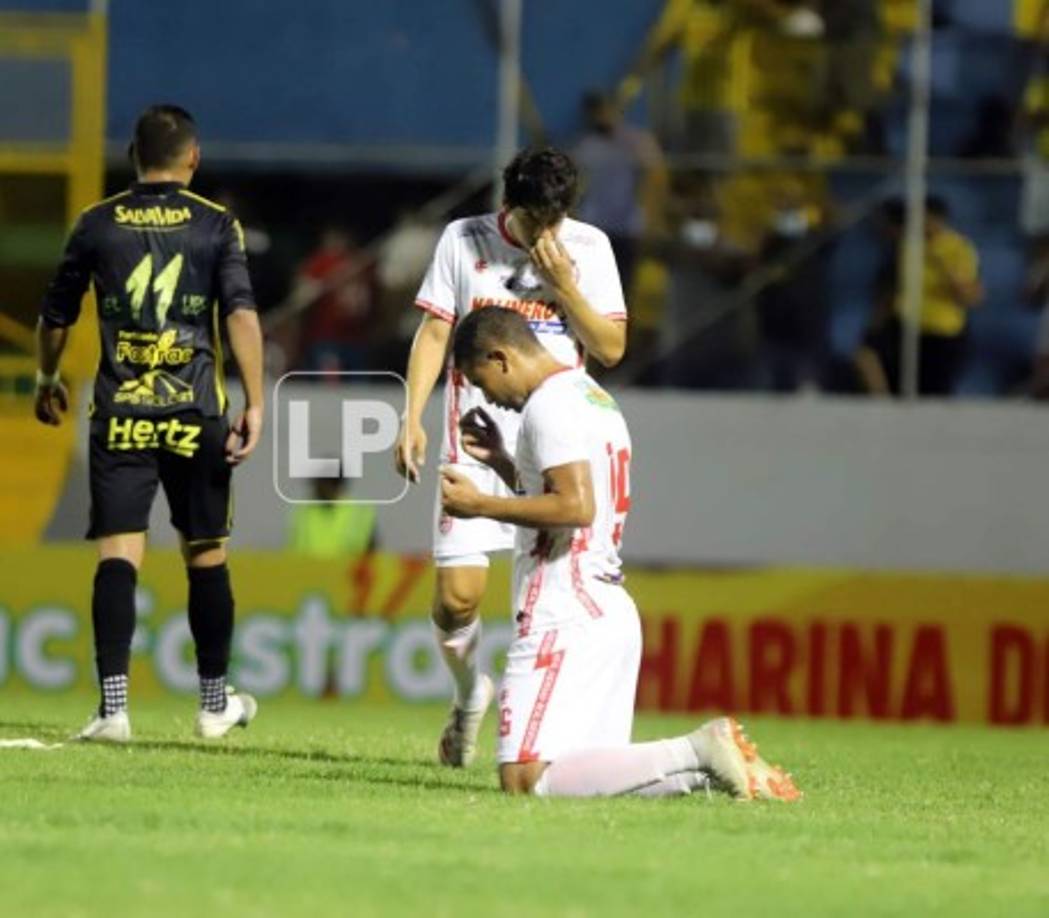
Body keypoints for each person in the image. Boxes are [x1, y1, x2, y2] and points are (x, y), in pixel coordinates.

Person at [439, 307, 800, 800]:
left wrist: (478, 504)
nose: (490, 399)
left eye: (481, 382)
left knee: (525, 778)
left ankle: (697, 750)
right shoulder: (593, 396)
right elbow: (574, 494)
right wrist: (505, 461)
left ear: (499, 357)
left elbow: (576, 505)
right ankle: (716, 771)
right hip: (606, 606)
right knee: (592, 780)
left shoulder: (549, 407)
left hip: (565, 606)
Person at [35, 104, 265, 742]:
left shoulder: (96, 223)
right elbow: (240, 314)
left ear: (133, 157)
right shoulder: (218, 226)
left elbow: (56, 314)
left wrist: (48, 378)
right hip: (195, 411)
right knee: (207, 556)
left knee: (118, 554)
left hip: (122, 411)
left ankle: (113, 710)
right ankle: (214, 705)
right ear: (193, 158)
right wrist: (255, 402)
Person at [394, 147, 628, 768]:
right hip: (476, 436)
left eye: (553, 223)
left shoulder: (589, 247)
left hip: (555, 443)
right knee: (457, 599)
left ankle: (547, 724)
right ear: (508, 207)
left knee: (549, 591)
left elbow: (610, 346)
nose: (542, 236)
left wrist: (566, 285)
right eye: (532, 223)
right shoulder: (463, 238)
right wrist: (412, 416)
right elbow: (437, 332)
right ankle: (471, 693)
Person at [859, 196, 983, 396]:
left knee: (933, 391)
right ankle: (882, 403)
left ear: (937, 219)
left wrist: (944, 267)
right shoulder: (907, 244)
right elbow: (891, 285)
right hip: (905, 324)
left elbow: (972, 295)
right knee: (868, 353)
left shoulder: (957, 247)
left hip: (941, 329)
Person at [573, 90, 667, 292]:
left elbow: (656, 172)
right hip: (596, 225)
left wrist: (653, 218)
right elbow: (577, 182)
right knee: (594, 284)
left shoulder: (636, 140)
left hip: (627, 225)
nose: (601, 117)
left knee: (625, 285)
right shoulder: (587, 145)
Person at [287, 478, 378, 558]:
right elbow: (294, 554)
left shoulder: (359, 514)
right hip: (308, 575)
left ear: (336, 485)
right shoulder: (303, 513)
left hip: (345, 575)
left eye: (322, 484)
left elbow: (371, 556)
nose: (316, 490)